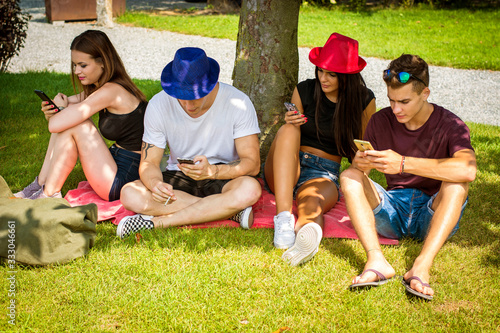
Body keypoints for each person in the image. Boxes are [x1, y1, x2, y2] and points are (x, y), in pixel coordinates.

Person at [340, 54, 476, 300]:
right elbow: (360, 174)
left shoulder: (451, 124)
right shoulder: (381, 121)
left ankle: (421, 265)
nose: (396, 109)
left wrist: (402, 163)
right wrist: (360, 164)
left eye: (404, 101)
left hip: (431, 214)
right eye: (391, 100)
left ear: (425, 94)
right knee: (348, 176)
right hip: (391, 212)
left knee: (457, 185)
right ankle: (376, 260)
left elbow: (468, 170)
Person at [117, 47, 261, 238]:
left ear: (212, 83)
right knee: (129, 193)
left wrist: (213, 171)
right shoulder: (159, 104)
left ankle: (158, 223)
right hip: (179, 176)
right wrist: (155, 184)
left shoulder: (238, 102)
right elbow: (149, 162)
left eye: (194, 97)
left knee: (250, 189)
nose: (188, 105)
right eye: (181, 97)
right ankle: (228, 211)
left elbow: (252, 164)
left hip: (223, 176)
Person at [263, 33, 376, 266]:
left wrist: (358, 182)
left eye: (331, 74)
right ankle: (283, 219)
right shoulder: (304, 90)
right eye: (320, 71)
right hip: (287, 164)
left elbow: (363, 151)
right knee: (288, 129)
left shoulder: (363, 100)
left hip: (323, 173)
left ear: (347, 76)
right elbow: (289, 135)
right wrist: (290, 120)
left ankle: (305, 240)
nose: (323, 78)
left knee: (311, 205)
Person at [14, 30, 148, 201]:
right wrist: (55, 109)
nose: (77, 71)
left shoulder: (111, 91)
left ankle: (48, 193)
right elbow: (65, 107)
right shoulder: (103, 88)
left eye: (83, 65)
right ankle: (41, 184)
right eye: (74, 65)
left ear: (103, 63)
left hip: (123, 181)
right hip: (115, 166)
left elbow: (55, 124)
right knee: (70, 120)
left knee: (78, 123)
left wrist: (59, 113)